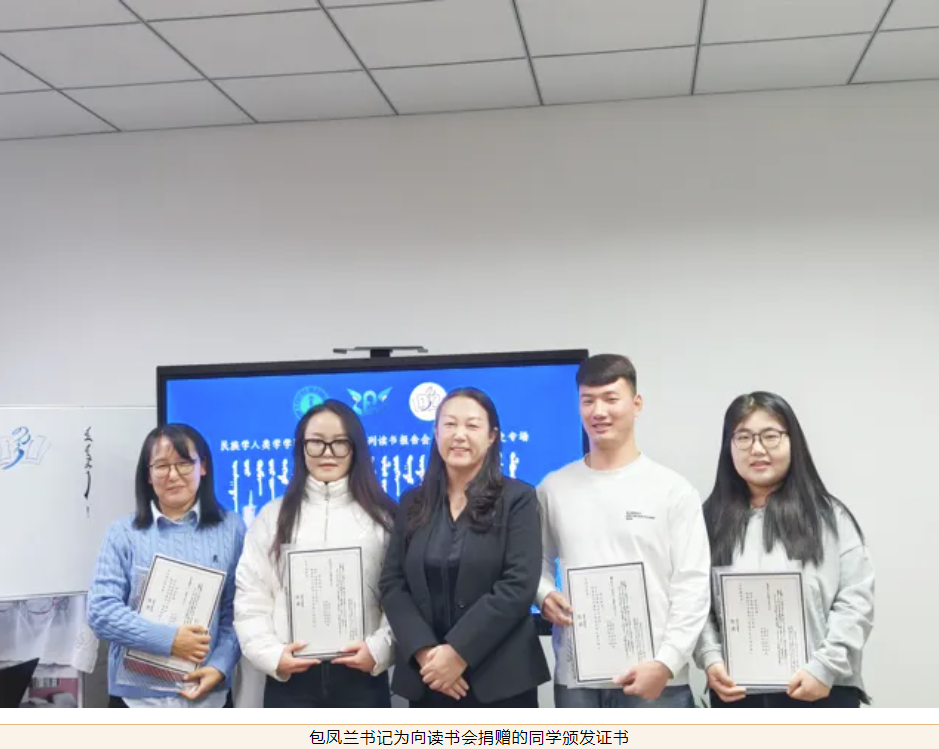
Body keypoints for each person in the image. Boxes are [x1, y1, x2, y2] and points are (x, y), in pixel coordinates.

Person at [537, 354, 710, 708]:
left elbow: (692, 585)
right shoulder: (553, 488)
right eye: (588, 401)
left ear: (636, 404)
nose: (598, 411)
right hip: (577, 681)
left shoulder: (673, 490)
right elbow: (533, 562)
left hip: (657, 680)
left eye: (611, 398)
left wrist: (666, 662)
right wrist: (543, 594)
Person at [695, 392, 874, 708]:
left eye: (770, 436)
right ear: (728, 446)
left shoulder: (830, 518)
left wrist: (824, 668)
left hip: (821, 689)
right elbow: (695, 603)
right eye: (744, 438)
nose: (757, 449)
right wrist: (711, 658)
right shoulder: (707, 522)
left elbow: (855, 601)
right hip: (737, 695)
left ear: (793, 442)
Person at [380, 387, 549, 707]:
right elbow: (392, 583)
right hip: (430, 677)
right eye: (449, 424)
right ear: (436, 433)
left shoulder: (517, 499)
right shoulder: (412, 502)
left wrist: (458, 653)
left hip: (501, 681)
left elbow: (518, 584)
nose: (459, 435)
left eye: (472, 425)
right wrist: (426, 653)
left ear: (492, 436)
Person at [235, 400, 396, 708]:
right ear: (301, 448)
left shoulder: (384, 518)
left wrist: (379, 650)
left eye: (340, 443)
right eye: (316, 442)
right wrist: (272, 656)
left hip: (361, 675)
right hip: (291, 677)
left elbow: (400, 598)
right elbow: (251, 597)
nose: (327, 452)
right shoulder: (272, 517)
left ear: (356, 448)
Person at [87, 424, 245, 707]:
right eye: (161, 466)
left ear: (203, 467)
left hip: (209, 697)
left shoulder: (231, 528)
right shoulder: (122, 532)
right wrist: (170, 640)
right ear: (148, 475)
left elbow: (237, 613)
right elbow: (101, 612)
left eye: (184, 463)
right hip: (136, 701)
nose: (173, 475)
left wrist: (219, 666)